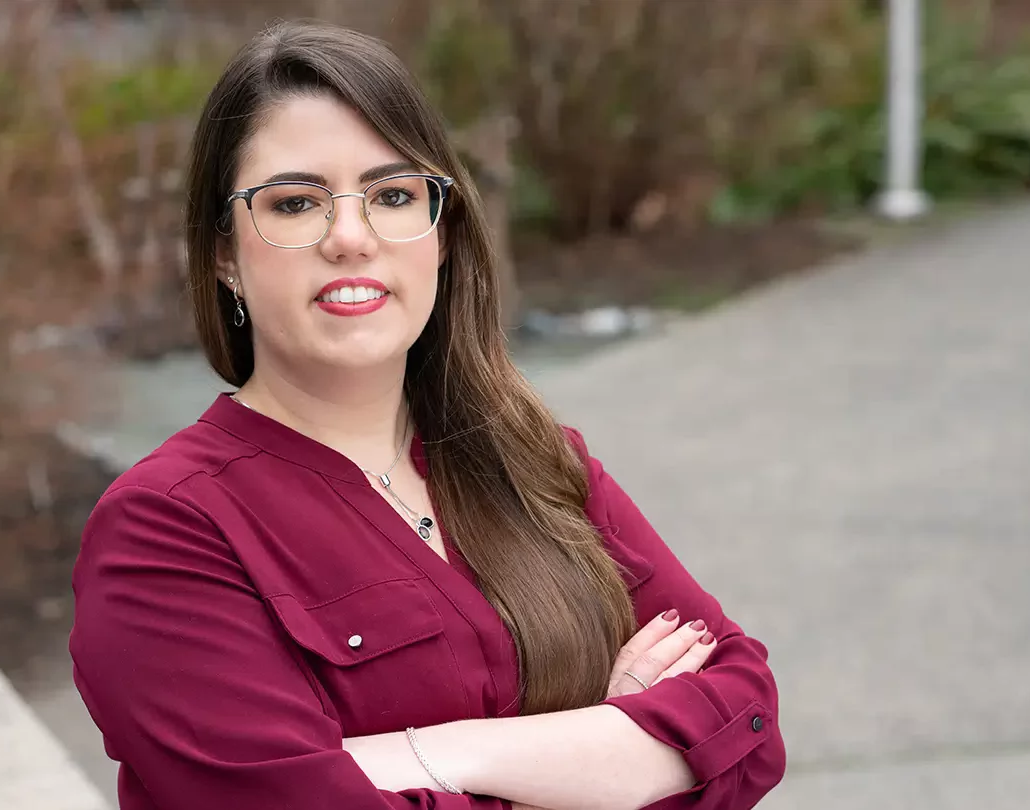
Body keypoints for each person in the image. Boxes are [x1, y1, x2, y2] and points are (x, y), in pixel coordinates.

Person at [69, 20, 784, 810]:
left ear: (442, 237)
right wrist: (598, 748)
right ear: (223, 253)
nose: (351, 237)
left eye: (394, 195)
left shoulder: (533, 460)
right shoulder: (168, 529)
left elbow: (744, 715)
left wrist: (433, 753)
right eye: (297, 203)